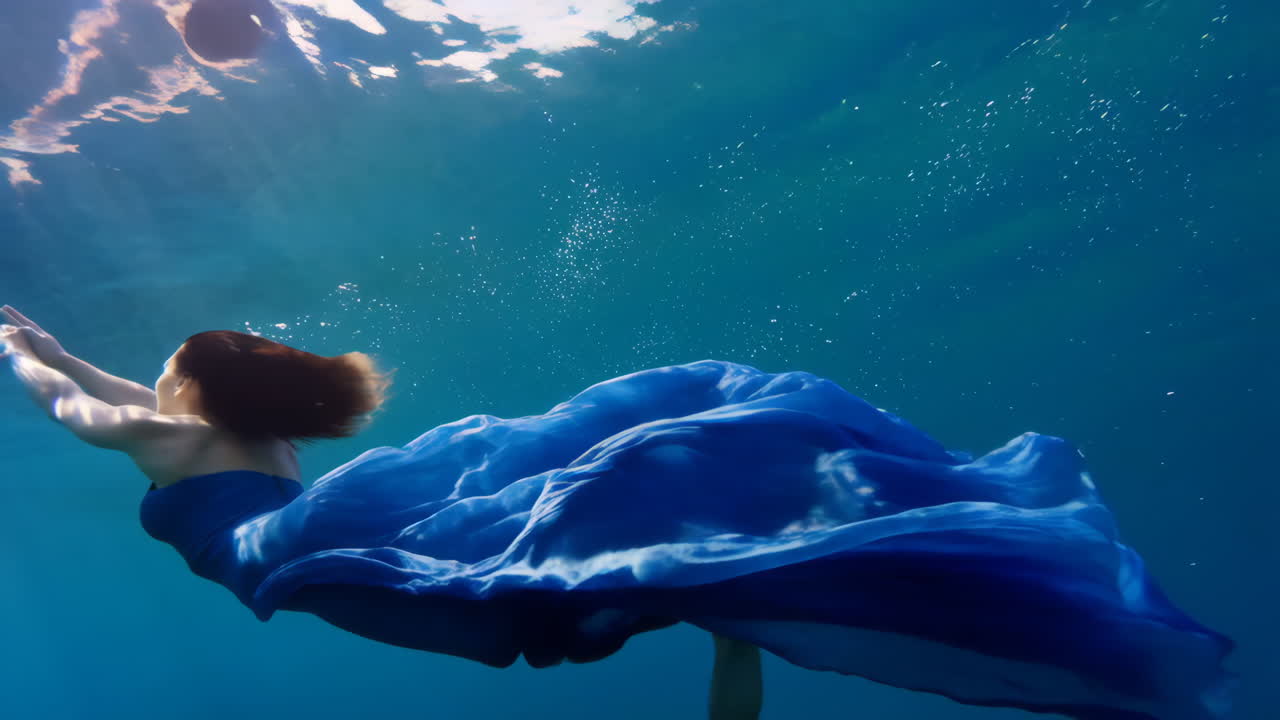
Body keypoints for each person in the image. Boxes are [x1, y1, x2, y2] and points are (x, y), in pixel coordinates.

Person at [1, 305, 1231, 719]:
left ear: (185, 388)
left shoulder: (168, 432)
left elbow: (74, 401)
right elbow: (109, 378)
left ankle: (715, 578)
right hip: (330, 531)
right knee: (560, 512)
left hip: (311, 559)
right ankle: (720, 571)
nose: (145, 380)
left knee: (535, 558)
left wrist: (20, 354)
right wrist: (32, 327)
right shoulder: (233, 426)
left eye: (161, 370)